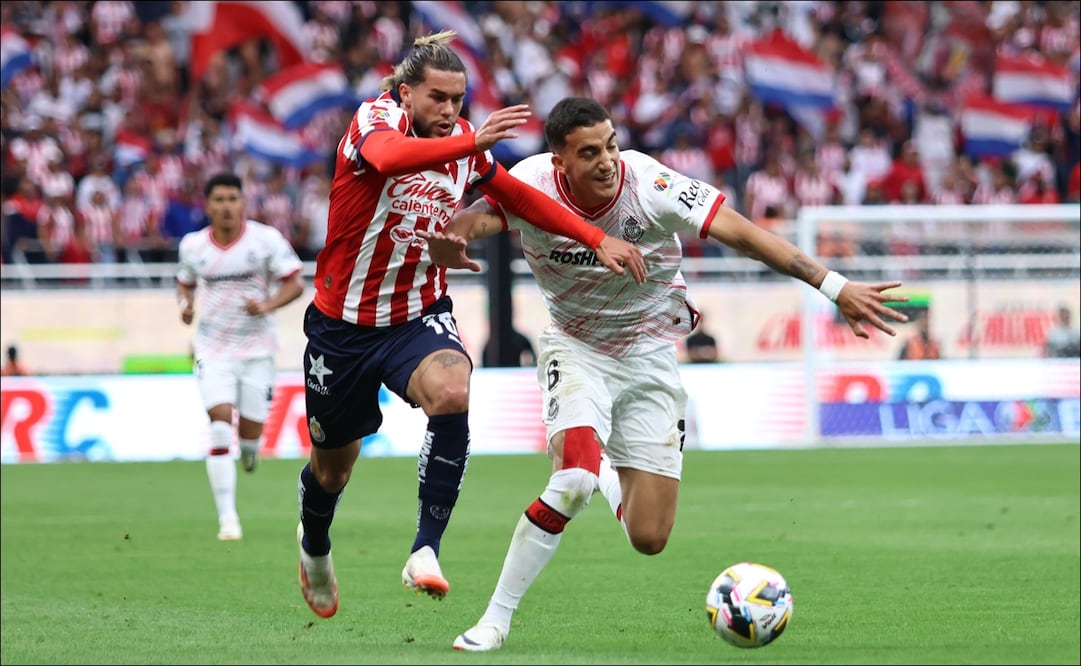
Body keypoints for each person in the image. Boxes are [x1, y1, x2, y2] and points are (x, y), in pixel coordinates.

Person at [419, 96, 909, 652]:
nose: (607, 160)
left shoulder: (651, 185)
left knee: (648, 537)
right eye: (589, 152)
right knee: (572, 479)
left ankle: (603, 470)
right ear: (561, 164)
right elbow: (477, 219)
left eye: (610, 144)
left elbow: (744, 234)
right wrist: (449, 239)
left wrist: (834, 286)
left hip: (650, 353)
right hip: (575, 347)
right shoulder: (531, 183)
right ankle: (496, 620)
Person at [294, 32, 646, 621]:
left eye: (458, 99)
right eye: (437, 98)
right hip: (344, 326)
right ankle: (314, 546)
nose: (449, 111)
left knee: (454, 390)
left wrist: (596, 236)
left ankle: (424, 549)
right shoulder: (372, 121)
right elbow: (386, 160)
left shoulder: (463, 144)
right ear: (405, 93)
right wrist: (468, 141)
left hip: (417, 314)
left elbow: (521, 200)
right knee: (333, 469)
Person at [176, 172, 305, 541]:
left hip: (257, 350)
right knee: (218, 423)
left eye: (233, 199)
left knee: (250, 433)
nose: (226, 206)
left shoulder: (265, 240)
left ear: (242, 203)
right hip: (212, 349)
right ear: (208, 205)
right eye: (219, 200)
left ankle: (249, 453)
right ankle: (228, 518)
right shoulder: (193, 246)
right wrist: (185, 307)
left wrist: (266, 304)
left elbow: (295, 283)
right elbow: (184, 284)